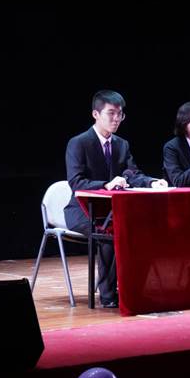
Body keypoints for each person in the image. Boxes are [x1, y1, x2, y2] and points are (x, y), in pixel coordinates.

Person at [64, 90, 168, 308]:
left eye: (120, 114)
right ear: (96, 114)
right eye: (111, 113)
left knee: (141, 228)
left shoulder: (121, 144)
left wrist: (151, 182)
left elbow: (132, 173)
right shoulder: (79, 143)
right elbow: (76, 182)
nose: (116, 119)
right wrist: (105, 185)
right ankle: (109, 295)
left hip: (112, 210)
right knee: (108, 233)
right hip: (82, 210)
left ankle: (136, 288)